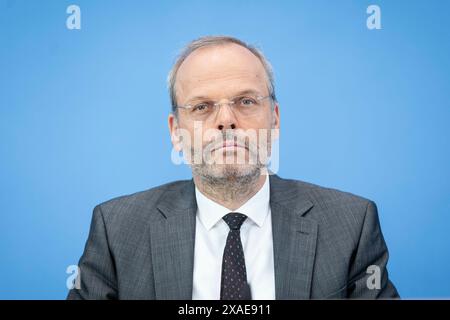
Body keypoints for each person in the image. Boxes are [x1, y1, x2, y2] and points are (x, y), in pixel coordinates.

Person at [67, 35, 399, 300]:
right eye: (202, 106)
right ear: (175, 131)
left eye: (246, 101)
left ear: (275, 119)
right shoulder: (117, 230)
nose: (226, 121)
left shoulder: (351, 225)